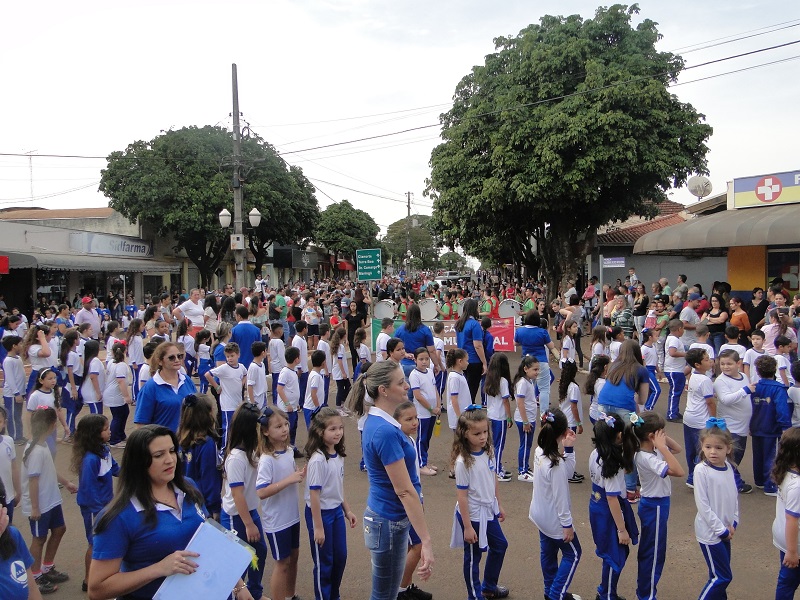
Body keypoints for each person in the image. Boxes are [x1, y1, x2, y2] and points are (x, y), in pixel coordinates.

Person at [89, 424, 250, 600]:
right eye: (159, 455)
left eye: (172, 451)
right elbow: (98, 588)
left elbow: (210, 540)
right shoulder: (118, 517)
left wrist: (238, 585)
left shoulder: (188, 487)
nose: (170, 460)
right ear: (138, 462)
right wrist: (159, 569)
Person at [351, 361, 433, 600]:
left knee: (389, 592)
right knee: (384, 595)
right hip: (388, 520)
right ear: (383, 390)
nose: (407, 385)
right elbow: (404, 490)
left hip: (389, 517)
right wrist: (425, 541)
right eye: (401, 382)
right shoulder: (385, 431)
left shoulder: (382, 424)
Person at [450, 407, 509, 600]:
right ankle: (474, 596)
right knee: (473, 557)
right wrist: (467, 526)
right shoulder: (462, 462)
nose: (483, 437)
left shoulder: (488, 450)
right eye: (477, 433)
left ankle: (488, 587)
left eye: (485, 432)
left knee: (500, 545)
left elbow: (493, 479)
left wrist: (498, 504)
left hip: (488, 510)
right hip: (472, 514)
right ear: (465, 434)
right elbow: (462, 496)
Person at [303, 406, 358, 600]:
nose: (338, 432)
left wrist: (347, 511)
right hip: (320, 515)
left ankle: (334, 595)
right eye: (332, 429)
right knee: (324, 562)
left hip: (335, 512)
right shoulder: (318, 460)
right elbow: (315, 495)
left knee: (340, 557)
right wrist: (318, 527)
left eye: (340, 428)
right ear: (320, 431)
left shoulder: (338, 455)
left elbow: (337, 487)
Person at [21, 408, 77, 595]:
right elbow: (33, 480)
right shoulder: (35, 450)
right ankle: (35, 576)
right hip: (41, 504)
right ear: (52, 425)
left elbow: (50, 469)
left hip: (51, 500)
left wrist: (66, 483)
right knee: (39, 539)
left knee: (60, 529)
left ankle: (47, 567)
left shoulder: (42, 445)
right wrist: (35, 507)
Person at [528, 408, 581, 600]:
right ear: (562, 432)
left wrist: (568, 449)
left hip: (540, 515)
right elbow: (561, 498)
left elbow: (567, 473)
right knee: (574, 554)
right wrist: (567, 526)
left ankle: (549, 590)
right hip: (554, 520)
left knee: (548, 554)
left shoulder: (540, 451)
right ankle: (556, 594)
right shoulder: (555, 464)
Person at [632, 411, 685, 600]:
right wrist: (661, 447)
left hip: (659, 504)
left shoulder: (652, 451)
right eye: (661, 432)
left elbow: (677, 449)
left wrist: (661, 441)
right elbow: (679, 471)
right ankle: (646, 595)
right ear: (651, 436)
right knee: (653, 553)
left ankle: (645, 592)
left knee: (654, 550)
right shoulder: (648, 457)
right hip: (654, 506)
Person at [255, 405, 305, 600]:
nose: (284, 429)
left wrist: (299, 475)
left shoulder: (289, 451)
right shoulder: (267, 459)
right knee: (282, 563)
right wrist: (289, 480)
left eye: (285, 424)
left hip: (292, 515)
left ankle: (290, 595)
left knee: (294, 558)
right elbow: (261, 491)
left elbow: (291, 475)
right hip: (277, 521)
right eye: (278, 426)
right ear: (266, 432)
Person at [220, 403, 268, 600]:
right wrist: (248, 524)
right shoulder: (236, 458)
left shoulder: (254, 451)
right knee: (238, 560)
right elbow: (237, 494)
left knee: (259, 552)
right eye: (260, 426)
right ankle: (235, 595)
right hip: (236, 516)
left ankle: (255, 593)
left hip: (250, 511)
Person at [588, 414, 638, 600]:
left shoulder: (597, 454)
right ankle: (607, 595)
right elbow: (612, 498)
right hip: (610, 513)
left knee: (610, 554)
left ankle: (606, 590)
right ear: (618, 436)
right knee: (616, 556)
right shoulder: (612, 464)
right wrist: (622, 529)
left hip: (596, 506)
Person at [72, 414, 119, 593]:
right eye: (106, 429)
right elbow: (88, 490)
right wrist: (100, 511)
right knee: (94, 543)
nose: (110, 431)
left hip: (106, 505)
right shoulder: (90, 459)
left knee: (102, 541)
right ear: (95, 433)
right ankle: (88, 580)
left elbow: (115, 469)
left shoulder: (105, 451)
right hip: (95, 509)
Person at [693, 418, 739, 599]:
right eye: (708, 447)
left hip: (726, 530)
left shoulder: (729, 466)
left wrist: (734, 521)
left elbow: (734, 497)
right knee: (723, 576)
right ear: (702, 446)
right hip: (711, 533)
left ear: (728, 448)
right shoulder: (701, 470)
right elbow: (703, 506)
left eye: (719, 448)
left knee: (718, 575)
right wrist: (721, 530)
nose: (713, 452)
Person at [714, 349, 756, 494]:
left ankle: (728, 481)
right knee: (731, 457)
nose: (725, 367)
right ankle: (734, 483)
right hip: (730, 427)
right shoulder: (720, 381)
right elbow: (725, 400)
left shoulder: (744, 376)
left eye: (729, 364)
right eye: (722, 364)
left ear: (738, 363)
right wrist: (745, 390)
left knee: (737, 456)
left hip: (743, 426)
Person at [752, 355, 792, 496]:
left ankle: (759, 480)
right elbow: (782, 409)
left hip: (756, 425)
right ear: (774, 369)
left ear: (757, 371)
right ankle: (770, 485)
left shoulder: (754, 387)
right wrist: (785, 427)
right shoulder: (778, 389)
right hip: (771, 427)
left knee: (758, 454)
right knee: (771, 456)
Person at [134, 342, 197, 432]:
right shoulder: (150, 387)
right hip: (163, 443)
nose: (177, 360)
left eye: (179, 356)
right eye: (171, 357)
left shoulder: (186, 380)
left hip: (187, 442)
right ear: (160, 361)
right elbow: (141, 424)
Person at [177, 394, 222, 520]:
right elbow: (209, 478)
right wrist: (215, 508)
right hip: (203, 505)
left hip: (184, 501)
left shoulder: (179, 439)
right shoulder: (206, 443)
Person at [770, 427, 800, 599]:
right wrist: (792, 551)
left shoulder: (785, 472)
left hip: (784, 537)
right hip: (794, 543)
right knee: (788, 580)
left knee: (788, 579)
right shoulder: (797, 485)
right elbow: (792, 519)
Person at [684, 348, 716, 488]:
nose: (710, 361)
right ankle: (694, 478)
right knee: (702, 450)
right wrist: (713, 419)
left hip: (688, 417)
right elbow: (710, 402)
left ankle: (692, 474)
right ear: (697, 364)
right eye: (706, 359)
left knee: (691, 449)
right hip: (700, 419)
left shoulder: (693, 376)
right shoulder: (705, 380)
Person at [206, 342, 247, 448]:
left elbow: (245, 374)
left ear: (238, 354)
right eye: (227, 356)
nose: (229, 359)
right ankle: (223, 451)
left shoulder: (241, 367)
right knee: (227, 428)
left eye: (232, 356)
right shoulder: (223, 368)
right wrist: (217, 386)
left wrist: (241, 384)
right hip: (227, 405)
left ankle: (234, 447)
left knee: (237, 427)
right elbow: (208, 374)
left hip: (237, 404)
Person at [409, 348, 440, 476]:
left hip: (432, 412)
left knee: (427, 438)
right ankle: (420, 464)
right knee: (422, 438)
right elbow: (418, 396)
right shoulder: (414, 375)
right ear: (415, 360)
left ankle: (424, 460)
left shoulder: (429, 372)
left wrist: (438, 405)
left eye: (426, 359)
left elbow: (435, 389)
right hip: (422, 413)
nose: (424, 362)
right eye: (421, 359)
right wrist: (431, 408)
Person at [484, 353, 512, 483]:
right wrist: (509, 417)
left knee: (492, 443)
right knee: (499, 445)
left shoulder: (489, 379)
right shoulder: (503, 381)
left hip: (491, 415)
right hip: (500, 417)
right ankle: (496, 470)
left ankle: (496, 466)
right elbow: (505, 401)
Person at [513, 356, 540, 483]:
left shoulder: (529, 381)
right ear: (526, 369)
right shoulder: (522, 383)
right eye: (535, 369)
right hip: (525, 420)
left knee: (528, 444)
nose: (537, 372)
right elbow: (520, 403)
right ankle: (522, 471)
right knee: (524, 445)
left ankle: (525, 467)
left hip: (529, 418)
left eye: (538, 369)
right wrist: (525, 421)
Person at [456, 299, 489, 402]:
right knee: (472, 391)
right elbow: (478, 345)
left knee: (465, 389)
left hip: (462, 359)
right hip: (474, 360)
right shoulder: (474, 324)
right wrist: (484, 362)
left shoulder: (459, 323)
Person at [557, 361, 584, 483]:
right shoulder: (573, 387)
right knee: (568, 447)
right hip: (571, 420)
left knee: (565, 446)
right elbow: (574, 406)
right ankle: (568, 472)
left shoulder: (564, 384)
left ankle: (568, 470)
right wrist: (579, 423)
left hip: (564, 418)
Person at [104, 342, 132, 448]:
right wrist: (126, 396)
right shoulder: (121, 365)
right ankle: (114, 440)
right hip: (115, 395)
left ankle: (120, 434)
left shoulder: (112, 362)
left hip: (114, 394)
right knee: (118, 416)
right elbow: (120, 381)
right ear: (125, 351)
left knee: (125, 412)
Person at [2, 336, 26, 443]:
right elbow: (10, 379)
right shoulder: (8, 361)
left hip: (19, 392)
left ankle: (19, 435)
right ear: (14, 346)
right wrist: (16, 393)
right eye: (19, 344)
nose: (21, 346)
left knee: (18, 415)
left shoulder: (18, 358)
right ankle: (14, 437)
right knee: (12, 416)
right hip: (12, 394)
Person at [330, 328, 351, 416]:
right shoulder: (340, 347)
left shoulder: (338, 345)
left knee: (348, 386)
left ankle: (342, 405)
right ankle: (339, 407)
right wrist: (343, 373)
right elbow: (339, 361)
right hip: (339, 372)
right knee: (341, 389)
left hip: (339, 371)